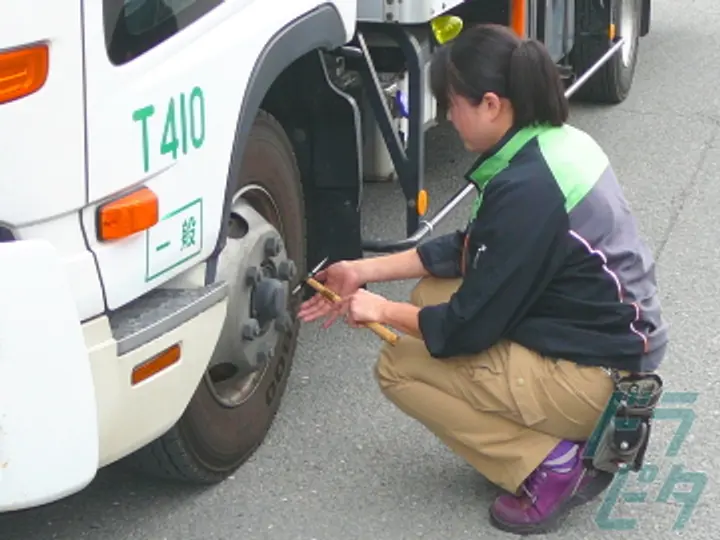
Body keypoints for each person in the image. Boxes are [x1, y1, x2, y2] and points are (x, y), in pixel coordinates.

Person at [298, 23, 668, 535]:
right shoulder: (551, 145)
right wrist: (362, 270)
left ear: (491, 104)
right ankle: (550, 436)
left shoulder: (528, 188)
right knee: (430, 297)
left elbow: (466, 329)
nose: (450, 117)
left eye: (453, 105)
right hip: (610, 349)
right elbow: (470, 249)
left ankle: (549, 463)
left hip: (600, 384)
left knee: (399, 366)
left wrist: (377, 310)